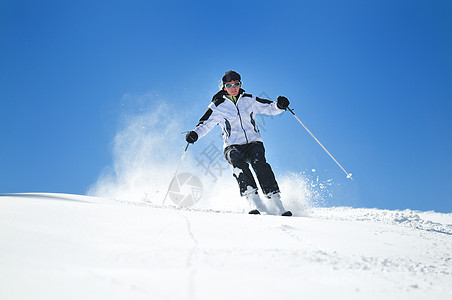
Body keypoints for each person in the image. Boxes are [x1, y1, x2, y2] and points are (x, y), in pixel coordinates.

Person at [186, 70, 292, 216]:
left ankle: (276, 201)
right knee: (237, 161)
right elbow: (206, 124)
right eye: (229, 85)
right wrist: (194, 134)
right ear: (224, 87)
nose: (233, 87)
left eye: (236, 84)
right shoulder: (217, 105)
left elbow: (268, 107)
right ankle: (254, 200)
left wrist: (280, 105)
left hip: (253, 143)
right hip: (232, 145)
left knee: (259, 163)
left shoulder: (249, 99)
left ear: (240, 84)